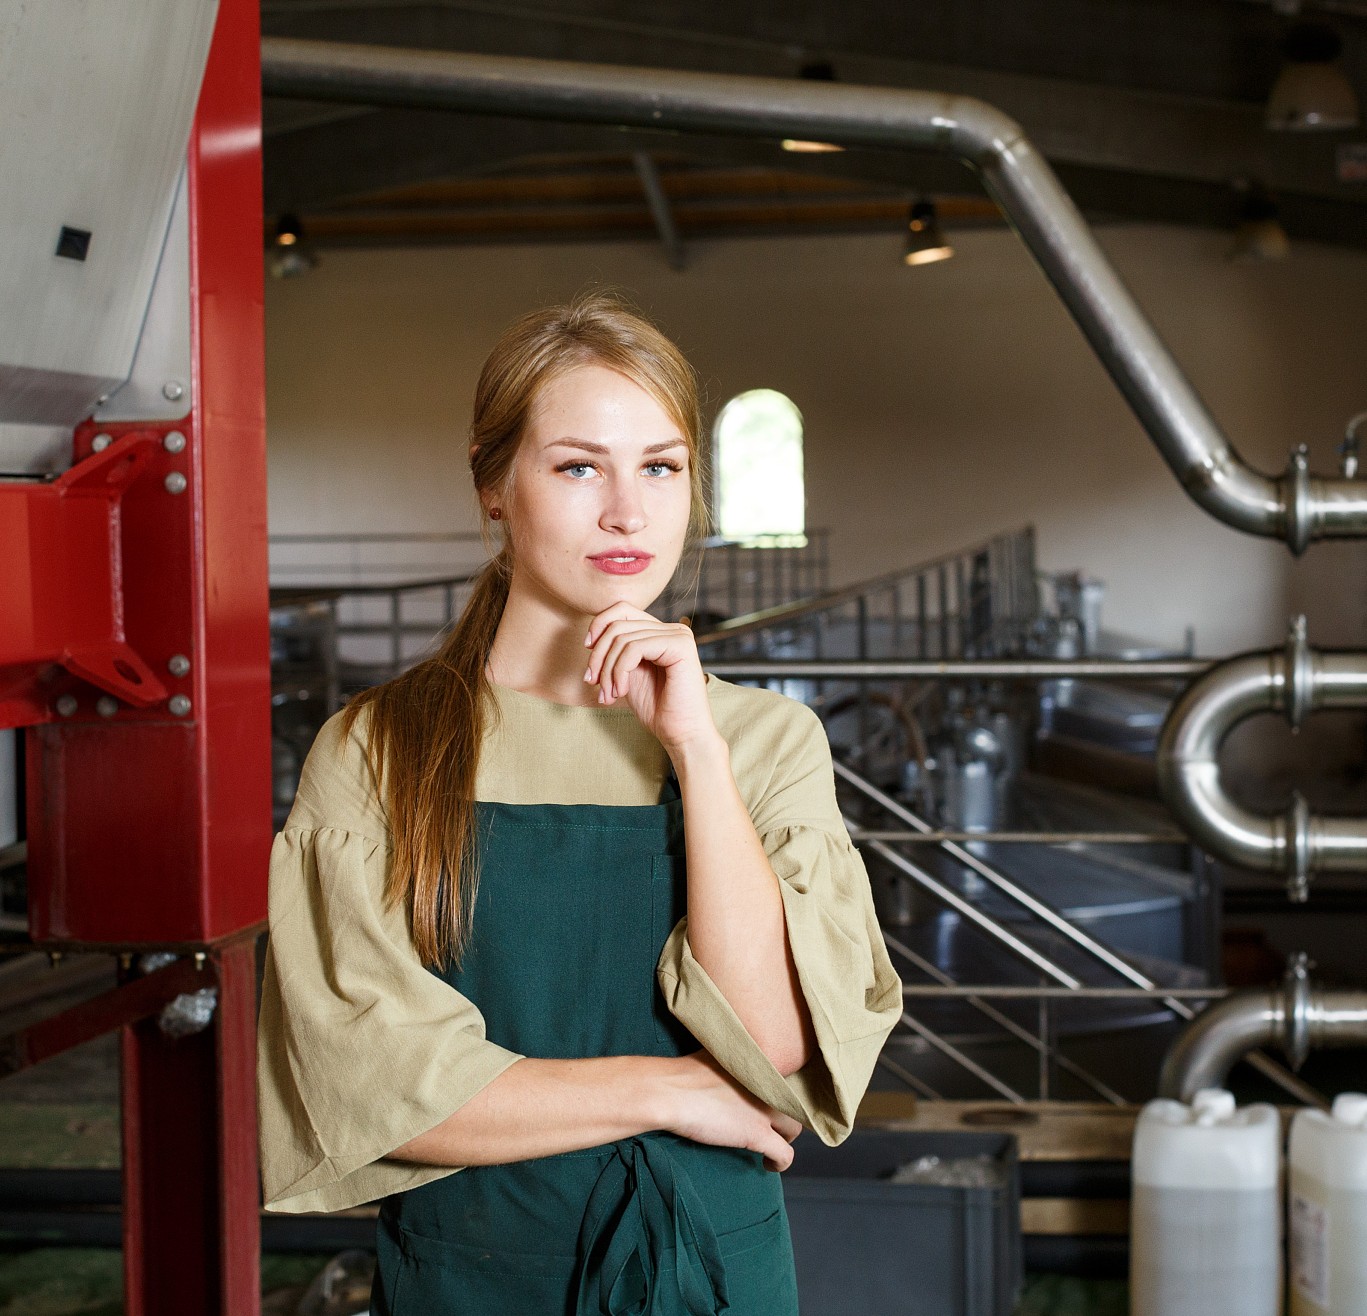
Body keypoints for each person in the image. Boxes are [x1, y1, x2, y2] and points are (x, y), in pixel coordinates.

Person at [258, 291, 901, 1316]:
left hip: (712, 1279)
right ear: (492, 484)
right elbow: (372, 1081)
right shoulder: (377, 749)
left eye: (661, 466)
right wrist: (668, 1089)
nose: (627, 513)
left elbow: (772, 1044)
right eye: (577, 467)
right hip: (471, 1279)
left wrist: (696, 750)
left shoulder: (766, 741)